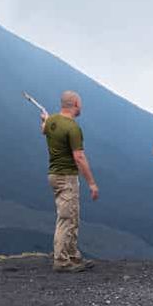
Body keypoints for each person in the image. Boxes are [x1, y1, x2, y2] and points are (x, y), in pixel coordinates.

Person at [40, 90, 99, 273]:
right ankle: (62, 260)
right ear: (75, 104)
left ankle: (72, 255)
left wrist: (45, 119)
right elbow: (79, 157)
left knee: (72, 216)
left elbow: (44, 130)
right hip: (67, 176)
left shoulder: (51, 122)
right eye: (80, 103)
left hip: (54, 174)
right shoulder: (72, 127)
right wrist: (91, 183)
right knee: (66, 218)